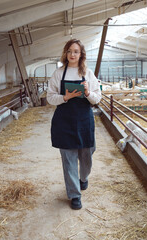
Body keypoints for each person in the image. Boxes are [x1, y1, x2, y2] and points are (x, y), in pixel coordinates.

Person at [47, 39, 102, 210]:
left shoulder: (88, 73)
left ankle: (83, 178)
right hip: (64, 119)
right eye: (69, 51)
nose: (72, 54)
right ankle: (74, 195)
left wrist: (87, 93)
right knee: (69, 159)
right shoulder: (58, 73)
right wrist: (65, 97)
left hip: (84, 119)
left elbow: (97, 98)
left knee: (87, 154)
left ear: (81, 54)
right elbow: (50, 97)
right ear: (65, 53)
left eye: (76, 51)